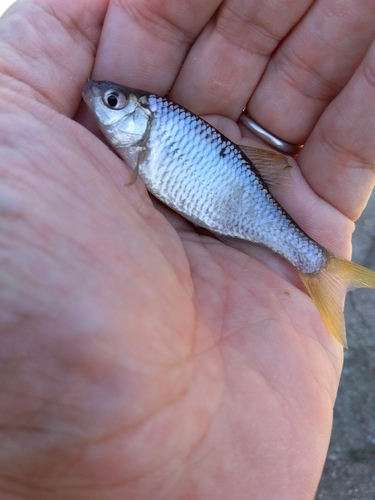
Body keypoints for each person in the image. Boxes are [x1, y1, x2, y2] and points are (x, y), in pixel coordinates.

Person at [0, 0, 374, 498]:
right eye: (113, 101)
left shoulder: (152, 138)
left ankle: (319, 267)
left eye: (113, 103)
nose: (99, 101)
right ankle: (319, 268)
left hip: (237, 205)